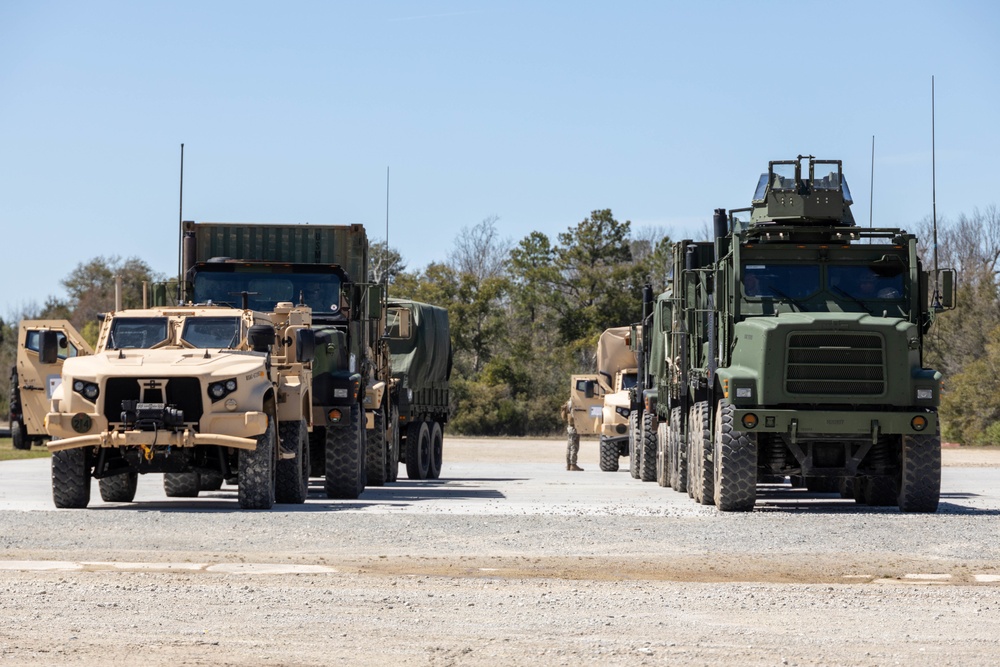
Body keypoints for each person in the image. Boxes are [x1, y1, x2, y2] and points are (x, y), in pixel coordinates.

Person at [561, 399, 583, 471]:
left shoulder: (567, 402)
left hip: (570, 427)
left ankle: (568, 464)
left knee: (569, 447)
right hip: (574, 427)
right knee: (574, 446)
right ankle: (573, 464)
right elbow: (574, 415)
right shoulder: (573, 403)